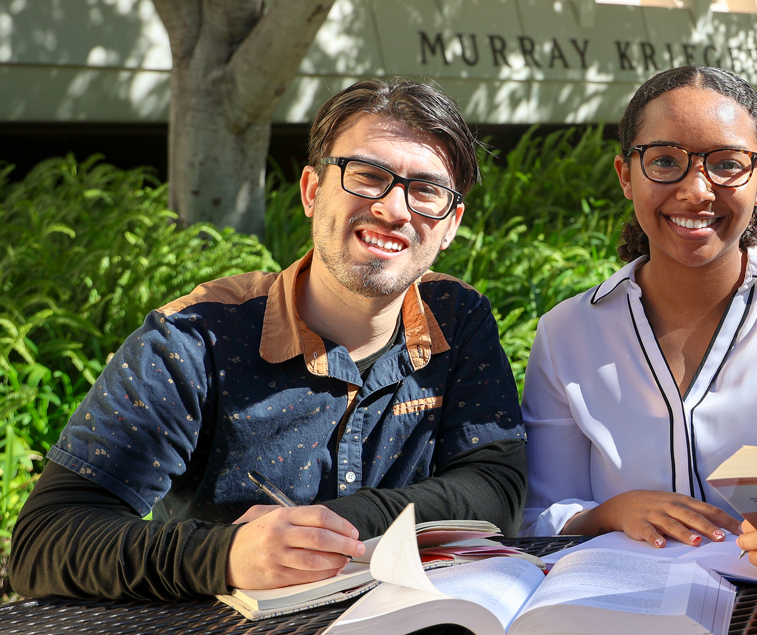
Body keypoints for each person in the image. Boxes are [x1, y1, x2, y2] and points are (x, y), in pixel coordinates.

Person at [9, 80, 527, 600]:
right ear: (312, 191)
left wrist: (328, 526)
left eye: (427, 190)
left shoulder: (457, 318)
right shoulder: (195, 339)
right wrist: (226, 555)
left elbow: (495, 485)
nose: (395, 209)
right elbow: (43, 543)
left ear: (451, 224)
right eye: (368, 176)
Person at [520, 66, 757, 580]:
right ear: (625, 176)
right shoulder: (567, 331)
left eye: (727, 164)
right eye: (664, 162)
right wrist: (612, 510)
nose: (697, 190)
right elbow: (540, 513)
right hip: (628, 604)